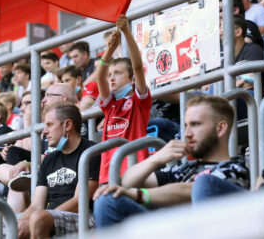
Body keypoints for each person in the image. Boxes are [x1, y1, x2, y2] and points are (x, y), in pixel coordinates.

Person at [92, 95, 249, 227]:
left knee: (204, 183)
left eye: (195, 125)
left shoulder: (236, 168)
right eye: (186, 125)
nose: (186, 133)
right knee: (107, 200)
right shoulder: (184, 170)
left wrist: (139, 195)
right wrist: (156, 159)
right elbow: (126, 182)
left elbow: (191, 190)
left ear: (220, 128)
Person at [0, 103, 101, 239]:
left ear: (67, 125)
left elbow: (79, 201)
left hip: (82, 217)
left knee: (38, 219)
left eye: (49, 125)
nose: (44, 132)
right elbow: (36, 204)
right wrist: (21, 223)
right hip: (46, 217)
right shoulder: (49, 159)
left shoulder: (90, 152)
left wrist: (41, 218)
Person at [96, 14, 152, 184]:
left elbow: (137, 67)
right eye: (110, 74)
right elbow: (100, 76)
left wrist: (127, 33)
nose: (111, 78)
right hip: (108, 172)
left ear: (132, 79)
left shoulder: (139, 101)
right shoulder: (109, 104)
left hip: (135, 169)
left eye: (118, 73)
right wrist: (110, 50)